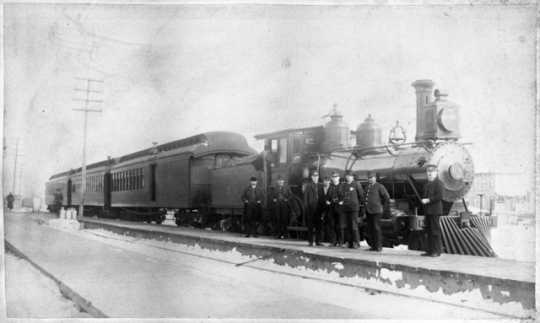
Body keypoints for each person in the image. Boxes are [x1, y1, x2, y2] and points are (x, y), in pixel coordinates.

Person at [364, 171, 390, 252]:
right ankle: (373, 246)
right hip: (369, 210)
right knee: (371, 228)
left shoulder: (379, 186)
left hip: (376, 211)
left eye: (371, 178)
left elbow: (386, 197)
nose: (370, 179)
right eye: (369, 178)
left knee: (376, 228)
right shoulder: (367, 187)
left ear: (375, 178)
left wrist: (382, 207)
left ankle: (378, 246)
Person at [421, 164, 444, 257]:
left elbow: (439, 196)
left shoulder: (439, 183)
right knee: (429, 230)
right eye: (428, 172)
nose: (430, 174)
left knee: (435, 231)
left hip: (435, 210)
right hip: (428, 211)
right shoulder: (426, 184)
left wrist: (428, 200)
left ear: (436, 173)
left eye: (432, 172)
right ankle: (430, 250)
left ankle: (436, 251)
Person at [303, 170, 322, 246]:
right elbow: (305, 198)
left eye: (317, 176)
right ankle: (310, 241)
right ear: (312, 177)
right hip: (311, 209)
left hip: (319, 209)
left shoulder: (321, 186)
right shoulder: (308, 186)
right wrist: (306, 209)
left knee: (319, 226)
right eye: (314, 176)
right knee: (310, 226)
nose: (316, 177)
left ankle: (318, 241)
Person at [318, 176, 336, 245]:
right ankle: (320, 241)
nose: (326, 182)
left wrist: (330, 202)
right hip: (322, 209)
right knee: (321, 225)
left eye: (327, 181)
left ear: (329, 182)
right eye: (325, 181)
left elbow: (334, 198)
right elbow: (319, 198)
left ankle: (333, 241)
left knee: (331, 225)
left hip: (330, 209)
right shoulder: (320, 189)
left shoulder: (333, 189)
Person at [329, 171, 345, 246]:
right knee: (332, 225)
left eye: (336, 177)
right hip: (332, 208)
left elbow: (345, 196)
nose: (334, 179)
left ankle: (341, 242)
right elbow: (328, 196)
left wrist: (342, 201)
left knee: (340, 226)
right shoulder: (331, 187)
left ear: (338, 178)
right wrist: (327, 201)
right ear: (332, 178)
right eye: (333, 177)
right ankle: (333, 242)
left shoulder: (342, 186)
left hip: (340, 208)